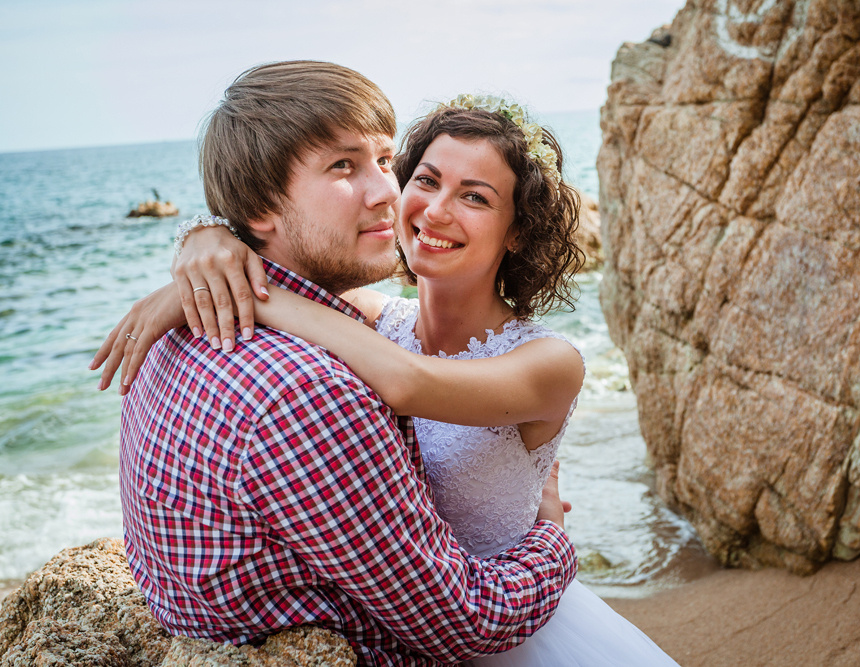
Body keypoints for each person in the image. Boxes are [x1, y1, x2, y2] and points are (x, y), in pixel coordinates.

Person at [95, 87, 679, 665]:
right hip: (432, 613)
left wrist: (248, 286)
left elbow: (406, 384)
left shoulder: (549, 361)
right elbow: (335, 313)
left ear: (517, 229)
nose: (435, 210)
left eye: (475, 197)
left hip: (519, 622)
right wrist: (209, 242)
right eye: (424, 180)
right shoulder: (372, 322)